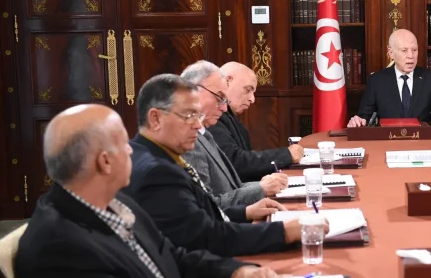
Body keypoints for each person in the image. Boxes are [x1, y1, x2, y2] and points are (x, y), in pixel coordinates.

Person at [14, 104, 280, 278]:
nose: (132, 150)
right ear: (104, 162)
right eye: (123, 143)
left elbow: (172, 255)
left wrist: (235, 271)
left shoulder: (112, 201)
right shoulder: (60, 245)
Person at [125, 73, 302, 256]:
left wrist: (245, 212)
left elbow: (197, 217)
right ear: (155, 119)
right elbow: (205, 237)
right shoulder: (157, 172)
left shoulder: (153, 154)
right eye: (189, 115)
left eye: (198, 115)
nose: (197, 125)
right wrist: (283, 232)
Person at [180, 61, 288, 207]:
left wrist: (266, 185)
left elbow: (232, 187)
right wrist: (260, 190)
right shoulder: (187, 141)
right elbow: (205, 206)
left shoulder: (204, 134)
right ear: (193, 91)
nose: (224, 108)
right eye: (219, 98)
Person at [210, 62, 304, 182]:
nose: (252, 99)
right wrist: (286, 155)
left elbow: (246, 166)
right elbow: (235, 163)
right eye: (248, 89)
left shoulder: (230, 117)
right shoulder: (212, 116)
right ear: (228, 81)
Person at [347, 29, 431, 127]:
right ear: (391, 53)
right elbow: (365, 119)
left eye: (414, 50)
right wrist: (358, 121)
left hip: (422, 141)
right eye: (404, 50)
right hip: (388, 141)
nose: (411, 56)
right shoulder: (376, 81)